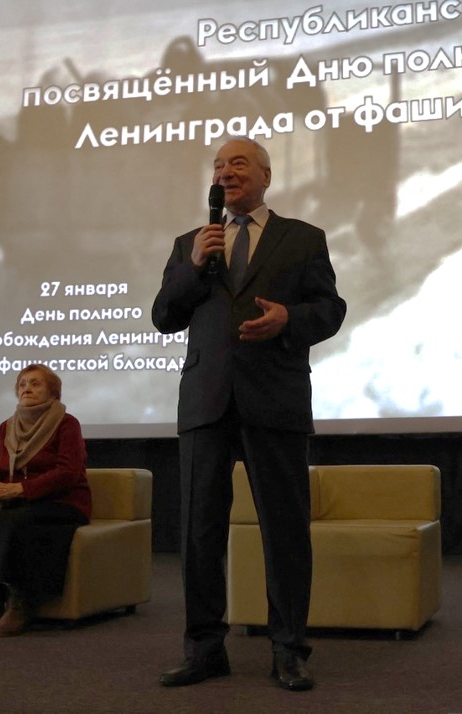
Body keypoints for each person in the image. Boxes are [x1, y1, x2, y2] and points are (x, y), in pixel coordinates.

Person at [152, 137, 347, 691]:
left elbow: (330, 310)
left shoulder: (303, 238)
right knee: (199, 532)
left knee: (284, 532)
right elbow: (164, 316)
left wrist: (289, 319)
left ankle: (289, 650)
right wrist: (194, 267)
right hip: (206, 401)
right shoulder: (191, 243)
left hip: (275, 398)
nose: (225, 172)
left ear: (265, 176)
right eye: (218, 165)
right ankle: (203, 650)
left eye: (238, 163)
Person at [0, 364, 90, 637]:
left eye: (35, 383)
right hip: (19, 503)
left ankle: (21, 602)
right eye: (22, 384)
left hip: (62, 503)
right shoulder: (7, 427)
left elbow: (68, 473)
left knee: (18, 523)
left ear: (53, 393)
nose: (26, 389)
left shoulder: (67, 424)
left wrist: (18, 489)